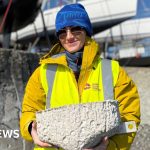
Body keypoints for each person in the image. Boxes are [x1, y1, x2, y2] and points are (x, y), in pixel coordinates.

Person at [20, 3, 140, 150]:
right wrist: (31, 128)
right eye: (62, 32)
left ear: (86, 31)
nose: (69, 36)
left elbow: (130, 117)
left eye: (76, 29)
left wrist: (111, 147)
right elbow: (29, 110)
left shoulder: (113, 70)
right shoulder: (42, 72)